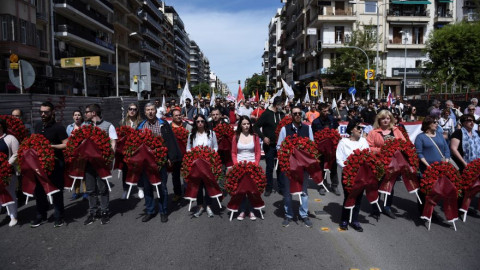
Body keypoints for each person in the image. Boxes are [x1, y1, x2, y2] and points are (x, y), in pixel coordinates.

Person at [137, 103, 182, 223]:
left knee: (162, 187)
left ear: (155, 111)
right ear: (145, 112)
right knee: (147, 187)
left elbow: (171, 141)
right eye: (148, 110)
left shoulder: (163, 124)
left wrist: (170, 157)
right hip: (146, 163)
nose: (150, 112)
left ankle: (163, 211)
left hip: (161, 161)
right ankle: (150, 211)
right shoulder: (141, 126)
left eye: (152, 109)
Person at [31, 102, 68, 228]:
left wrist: (51, 146)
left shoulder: (59, 127)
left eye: (46, 112)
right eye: (41, 112)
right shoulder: (37, 125)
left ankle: (59, 216)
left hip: (56, 164)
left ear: (52, 112)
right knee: (39, 191)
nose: (43, 114)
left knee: (57, 191)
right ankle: (41, 215)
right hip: (39, 164)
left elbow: (66, 144)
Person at [276, 106, 314, 228]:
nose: (297, 115)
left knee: (304, 191)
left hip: (303, 167)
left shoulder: (308, 128)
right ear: (291, 116)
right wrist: (289, 153)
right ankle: (289, 214)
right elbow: (279, 147)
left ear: (302, 115)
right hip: (290, 166)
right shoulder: (284, 129)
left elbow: (312, 145)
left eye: (299, 113)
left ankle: (304, 214)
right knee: (288, 192)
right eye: (295, 113)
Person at [366, 109, 405, 219]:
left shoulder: (396, 130)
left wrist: (396, 148)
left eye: (388, 118)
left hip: (393, 164)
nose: (385, 120)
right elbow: (369, 147)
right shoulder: (373, 132)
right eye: (383, 118)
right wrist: (382, 150)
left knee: (390, 186)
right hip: (379, 163)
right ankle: (375, 207)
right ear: (379, 120)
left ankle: (387, 207)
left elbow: (403, 144)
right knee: (377, 186)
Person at [82, 104, 117, 225]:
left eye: (87, 112)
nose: (85, 114)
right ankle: (93, 212)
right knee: (91, 190)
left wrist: (109, 158)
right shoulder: (84, 126)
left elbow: (113, 142)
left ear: (93, 113)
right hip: (88, 163)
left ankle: (104, 212)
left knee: (102, 189)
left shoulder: (108, 125)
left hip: (102, 163)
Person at [337, 120, 370, 232]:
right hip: (348, 174)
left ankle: (355, 220)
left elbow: (367, 155)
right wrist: (348, 169)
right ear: (351, 130)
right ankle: (344, 220)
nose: (361, 130)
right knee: (348, 196)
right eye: (358, 128)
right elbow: (339, 158)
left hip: (361, 175)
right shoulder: (343, 142)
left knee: (359, 198)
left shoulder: (364, 141)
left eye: (361, 128)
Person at [187, 114, 218, 218]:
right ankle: (200, 206)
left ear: (205, 122)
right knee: (198, 187)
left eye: (202, 121)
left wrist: (210, 155)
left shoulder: (211, 134)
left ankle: (209, 206)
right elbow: (188, 148)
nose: (200, 123)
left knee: (208, 185)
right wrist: (192, 156)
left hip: (208, 164)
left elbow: (215, 147)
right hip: (196, 165)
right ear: (195, 123)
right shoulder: (192, 135)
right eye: (198, 121)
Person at [231, 116, 261, 221]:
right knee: (242, 190)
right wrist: (236, 165)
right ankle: (242, 210)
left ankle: (252, 210)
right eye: (244, 124)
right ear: (240, 125)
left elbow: (257, 152)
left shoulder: (255, 136)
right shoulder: (236, 137)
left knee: (252, 190)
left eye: (248, 123)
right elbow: (234, 153)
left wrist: (255, 164)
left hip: (252, 166)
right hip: (240, 166)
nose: (246, 126)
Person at [253, 96, 285, 196]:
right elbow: (256, 126)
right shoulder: (266, 114)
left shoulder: (282, 114)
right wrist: (263, 137)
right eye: (282, 104)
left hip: (281, 145)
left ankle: (281, 187)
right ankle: (269, 187)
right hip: (269, 145)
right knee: (270, 166)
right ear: (277, 104)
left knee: (281, 167)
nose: (283, 106)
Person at [119, 103, 143, 200]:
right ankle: (125, 189)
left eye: (134, 109)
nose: (132, 111)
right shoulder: (122, 122)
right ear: (127, 111)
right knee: (125, 170)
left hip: (137, 149)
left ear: (137, 111)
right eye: (130, 109)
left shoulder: (141, 122)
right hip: (126, 150)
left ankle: (140, 187)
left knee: (138, 169)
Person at [0, 118, 19, 227]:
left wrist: (6, 164)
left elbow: (16, 154)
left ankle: (13, 216)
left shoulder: (10, 138)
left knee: (10, 192)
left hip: (7, 171)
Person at [170, 108, 191, 202]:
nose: (178, 117)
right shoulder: (169, 127)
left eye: (179, 115)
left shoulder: (187, 126)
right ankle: (177, 193)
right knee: (175, 176)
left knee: (186, 174)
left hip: (186, 155)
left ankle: (188, 192)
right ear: (172, 117)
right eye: (176, 115)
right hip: (174, 156)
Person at [66, 110, 87, 200]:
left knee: (84, 173)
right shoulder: (69, 127)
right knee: (75, 172)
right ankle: (76, 192)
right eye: (75, 115)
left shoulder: (85, 126)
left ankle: (86, 192)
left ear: (81, 117)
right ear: (73, 117)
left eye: (79, 115)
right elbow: (67, 140)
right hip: (73, 152)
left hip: (84, 152)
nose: (77, 116)